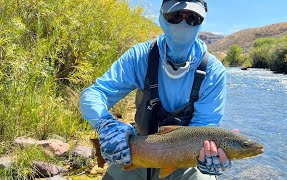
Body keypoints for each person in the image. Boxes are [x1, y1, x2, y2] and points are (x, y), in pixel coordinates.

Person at [80, 0, 231, 179]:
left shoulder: (214, 72)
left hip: (185, 160)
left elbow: (202, 131)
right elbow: (94, 94)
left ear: (201, 23)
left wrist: (208, 160)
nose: (183, 24)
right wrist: (106, 125)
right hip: (140, 150)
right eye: (175, 16)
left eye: (192, 18)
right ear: (161, 17)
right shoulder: (140, 57)